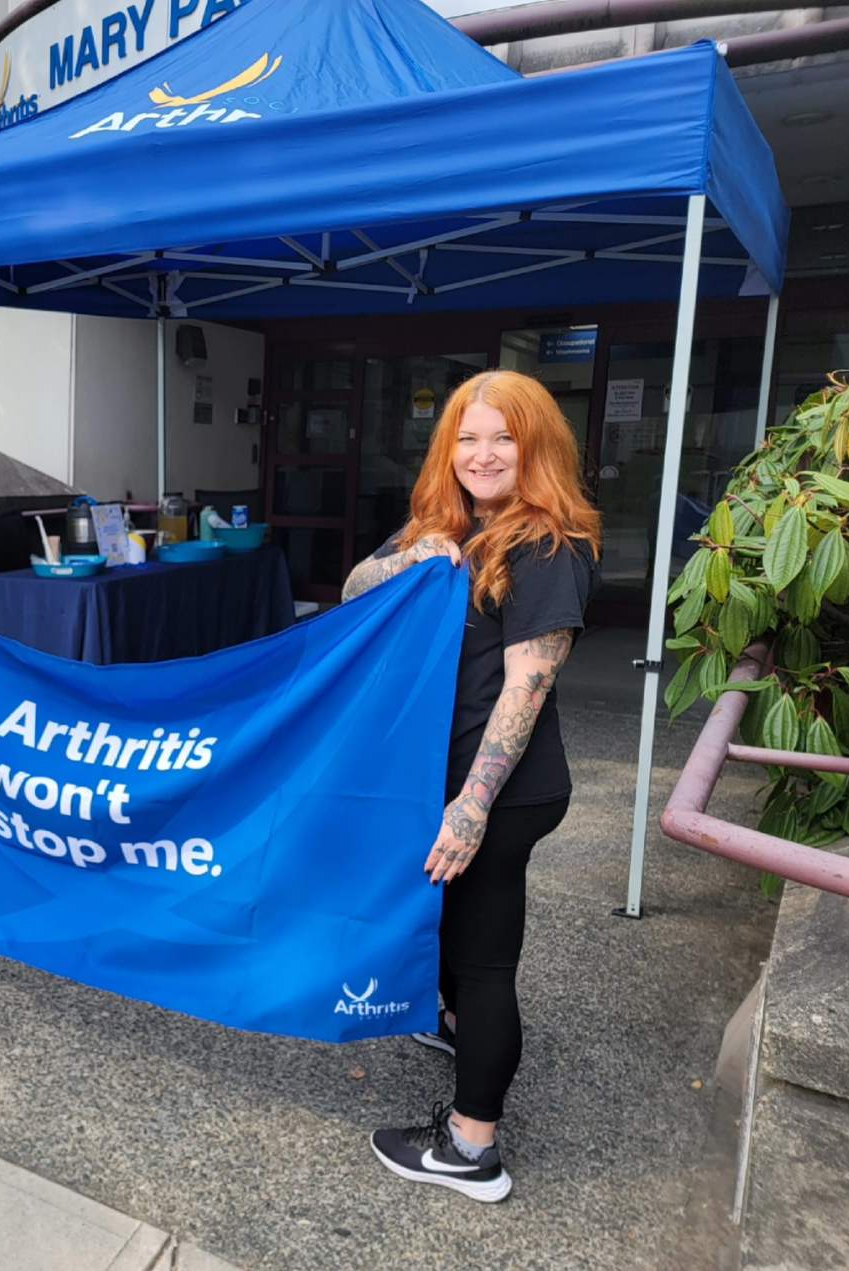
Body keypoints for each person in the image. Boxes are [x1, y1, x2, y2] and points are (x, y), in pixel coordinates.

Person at [342, 370, 600, 1203]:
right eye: (468, 437)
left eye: (503, 437)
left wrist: (472, 806)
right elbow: (351, 589)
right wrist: (408, 560)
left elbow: (527, 685)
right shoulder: (449, 523)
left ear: (537, 447)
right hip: (442, 778)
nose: (483, 455)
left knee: (485, 960)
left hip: (502, 792)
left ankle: (470, 1147)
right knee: (453, 941)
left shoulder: (546, 546)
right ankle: (458, 1031)